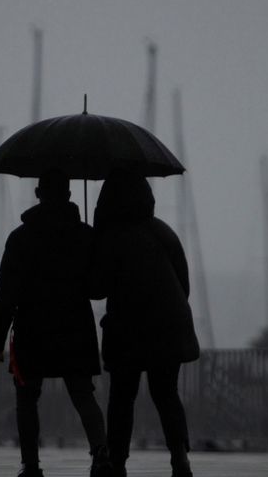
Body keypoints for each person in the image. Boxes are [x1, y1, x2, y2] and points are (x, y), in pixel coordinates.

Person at [0, 169, 109, 477]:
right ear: (69, 195)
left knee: (26, 398)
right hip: (74, 329)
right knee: (83, 395)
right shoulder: (85, 235)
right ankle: (101, 456)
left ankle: (30, 465)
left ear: (38, 195)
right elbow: (97, 290)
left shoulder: (20, 237)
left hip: (32, 329)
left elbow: (6, 292)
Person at [89, 169, 200, 477]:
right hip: (170, 328)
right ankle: (180, 459)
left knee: (122, 397)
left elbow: (96, 288)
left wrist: (93, 242)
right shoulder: (164, 232)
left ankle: (118, 462)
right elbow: (184, 287)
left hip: (128, 332)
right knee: (166, 394)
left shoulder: (113, 238)